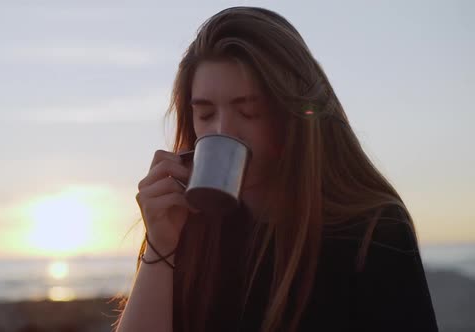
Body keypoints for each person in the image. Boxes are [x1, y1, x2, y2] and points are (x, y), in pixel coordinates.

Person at [114, 6, 439, 332]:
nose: (223, 129)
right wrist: (161, 241)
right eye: (206, 113)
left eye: (249, 110)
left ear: (293, 116)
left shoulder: (371, 230)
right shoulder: (188, 222)